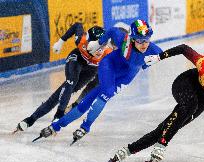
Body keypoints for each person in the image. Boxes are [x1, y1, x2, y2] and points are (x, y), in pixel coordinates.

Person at [109, 44, 204, 162]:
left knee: (171, 125)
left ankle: (128, 150)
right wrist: (159, 57)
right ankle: (162, 144)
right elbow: (184, 49)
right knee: (189, 106)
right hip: (185, 84)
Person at [34, 19, 163, 144]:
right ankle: (85, 127)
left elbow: (166, 54)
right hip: (110, 65)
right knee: (106, 93)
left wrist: (150, 63)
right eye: (140, 41)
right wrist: (99, 42)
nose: (144, 44)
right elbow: (112, 31)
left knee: (90, 99)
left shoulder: (154, 50)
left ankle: (59, 126)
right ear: (132, 39)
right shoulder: (123, 40)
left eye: (146, 40)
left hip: (126, 76)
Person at [14, 22, 112, 133]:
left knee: (64, 91)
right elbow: (77, 25)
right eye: (97, 45)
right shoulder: (81, 40)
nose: (99, 49)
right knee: (70, 83)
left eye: (102, 46)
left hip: (91, 69)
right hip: (77, 59)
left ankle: (31, 119)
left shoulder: (107, 53)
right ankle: (58, 114)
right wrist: (61, 41)